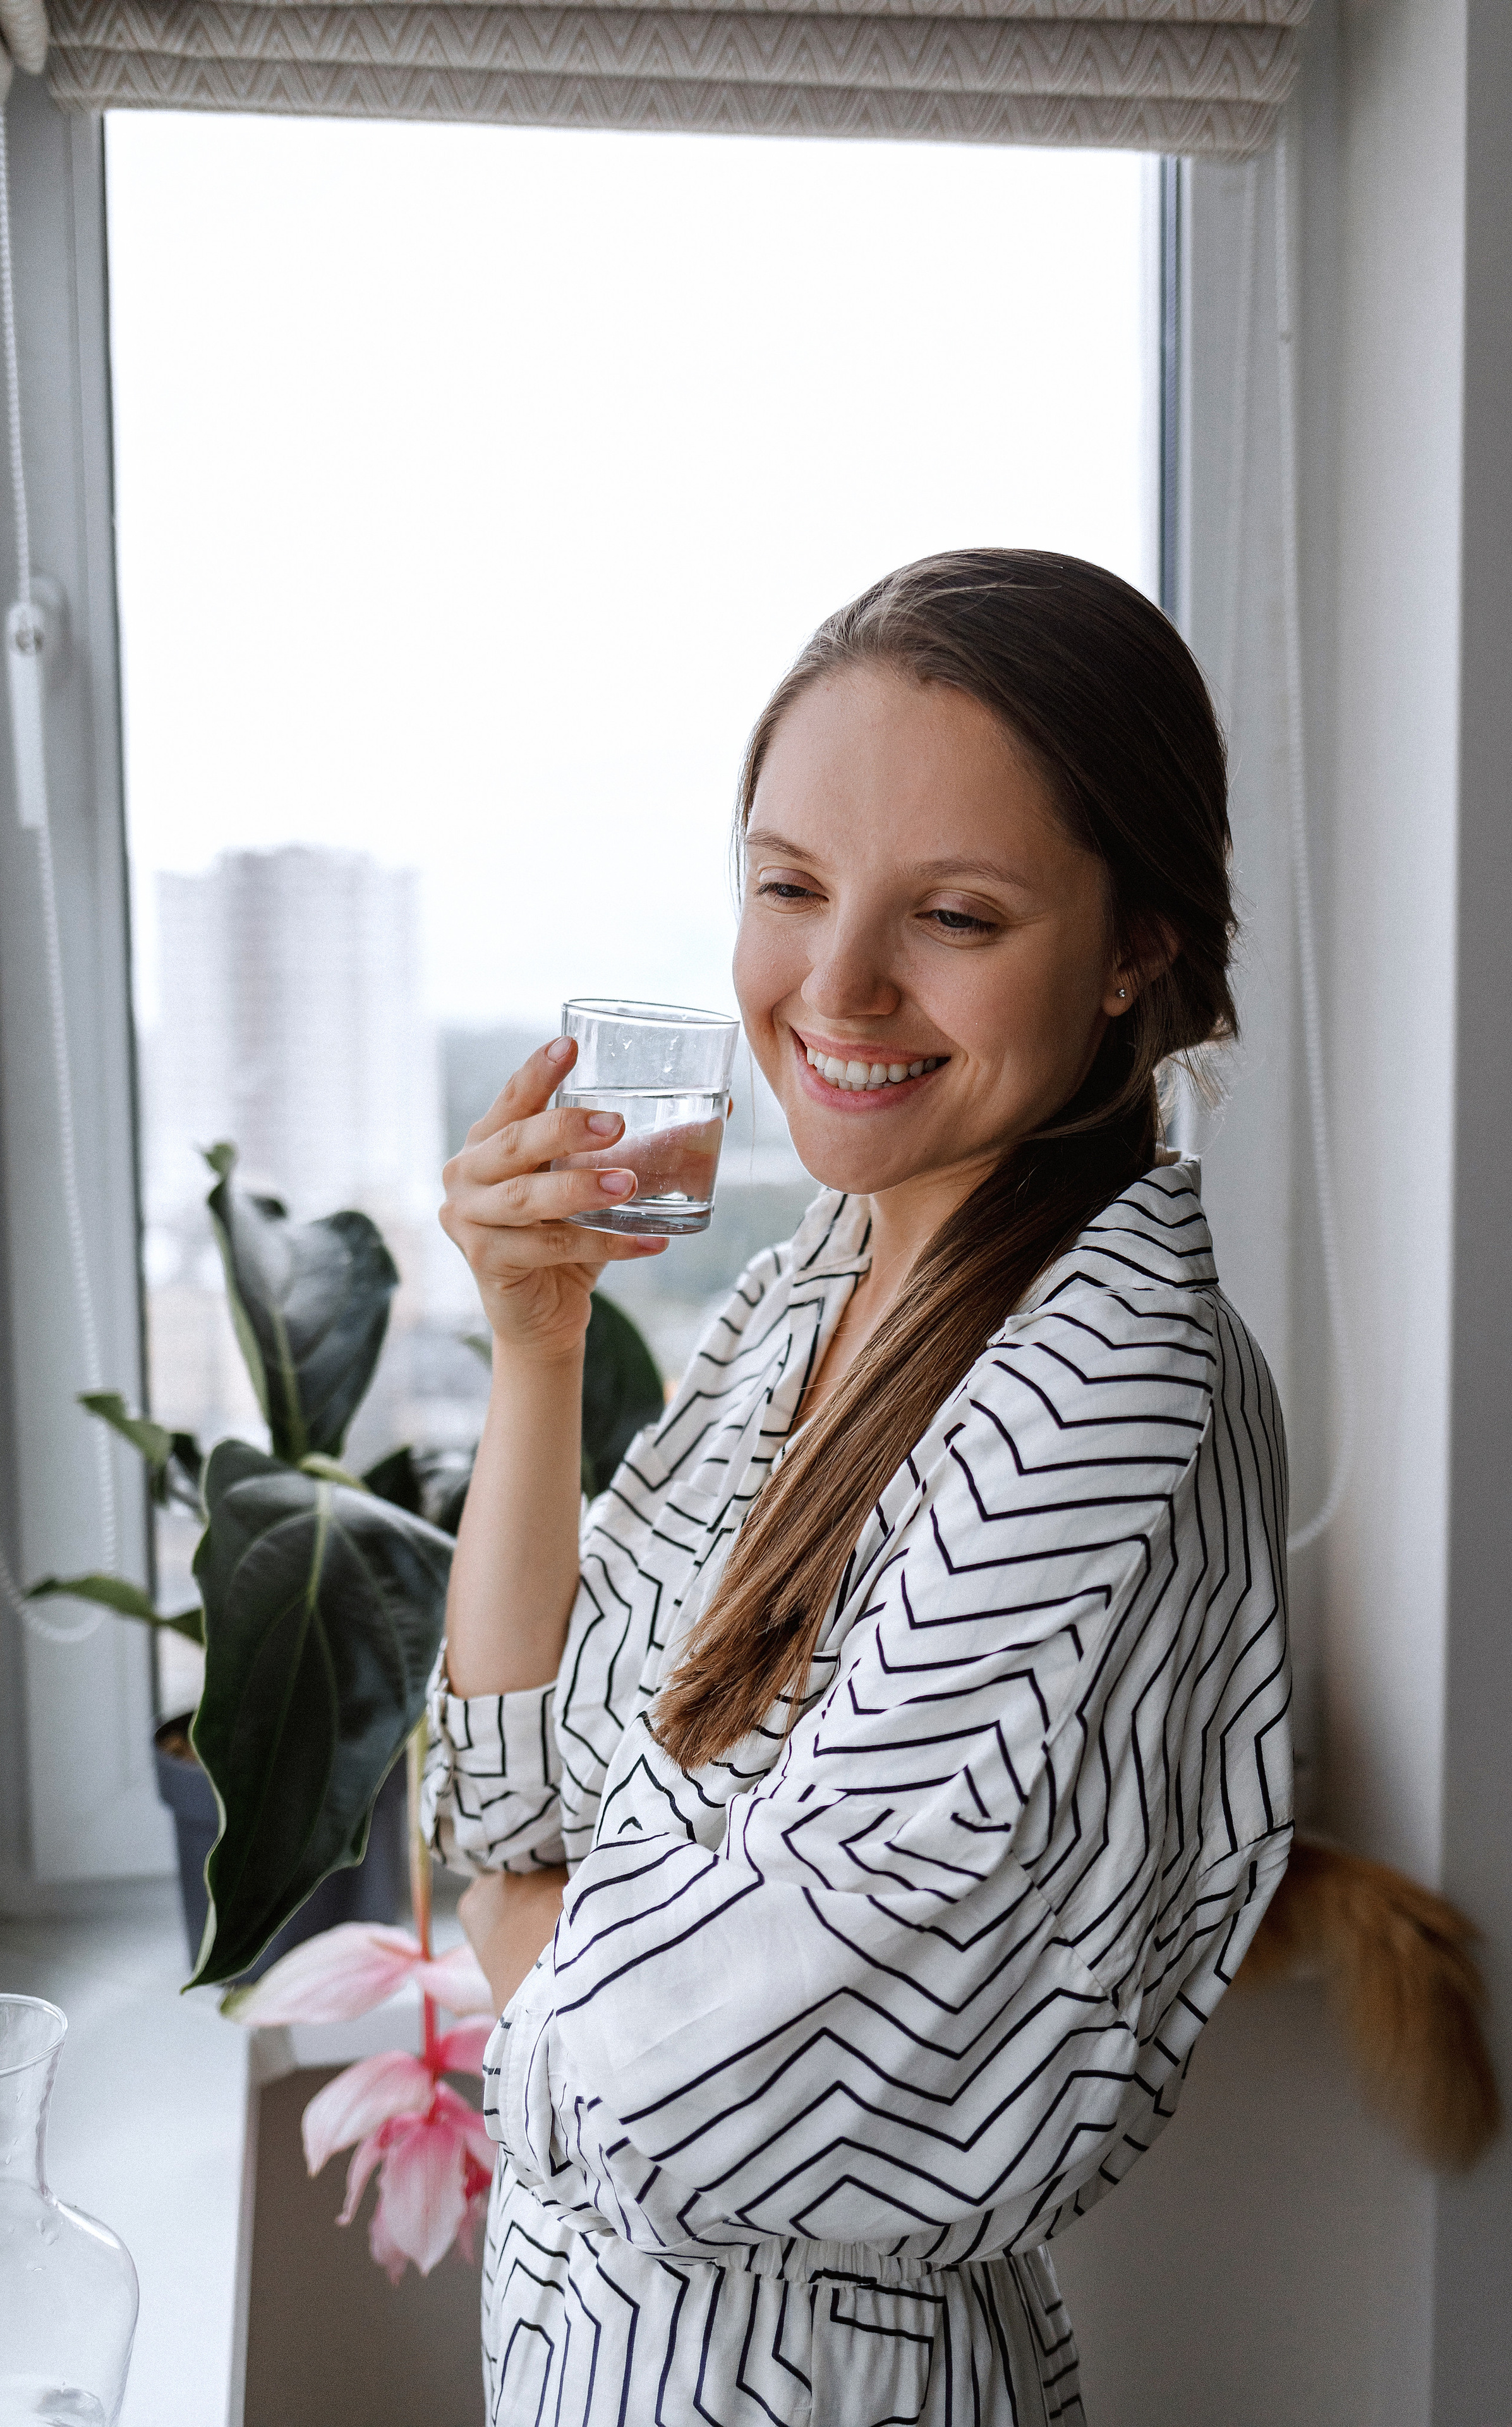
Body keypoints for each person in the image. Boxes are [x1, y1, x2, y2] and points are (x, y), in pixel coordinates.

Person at [428, 549, 1292, 2427]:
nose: (835, 988)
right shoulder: (824, 1278)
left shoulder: (1098, 1406)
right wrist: (537, 1341)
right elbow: (508, 1787)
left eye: (957, 917)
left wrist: (540, 1932)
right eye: (791, 887)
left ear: (1138, 941)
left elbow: (669, 2075)